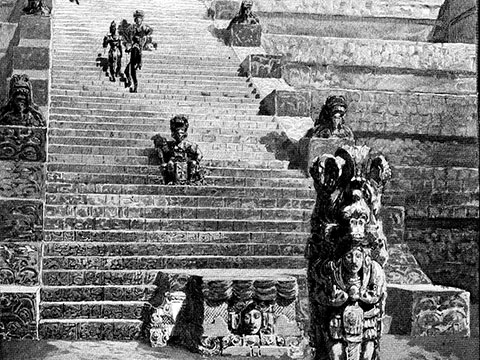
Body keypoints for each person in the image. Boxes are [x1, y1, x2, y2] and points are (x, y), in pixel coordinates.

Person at [151, 115, 204, 185]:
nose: (179, 135)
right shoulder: (171, 145)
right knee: (170, 164)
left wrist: (196, 161)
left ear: (184, 134)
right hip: (174, 161)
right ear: (174, 135)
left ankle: (190, 179)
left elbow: (199, 153)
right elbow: (163, 151)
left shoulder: (188, 144)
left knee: (193, 164)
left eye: (181, 133)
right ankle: (171, 179)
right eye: (177, 133)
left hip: (185, 161)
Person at [123, 10, 153, 92]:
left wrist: (144, 39)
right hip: (133, 47)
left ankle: (134, 84)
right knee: (128, 70)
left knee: (132, 67)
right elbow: (126, 34)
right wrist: (128, 44)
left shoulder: (144, 27)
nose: (138, 21)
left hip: (138, 47)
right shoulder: (132, 27)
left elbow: (150, 31)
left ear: (141, 20)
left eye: (139, 19)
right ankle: (131, 82)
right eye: (136, 19)